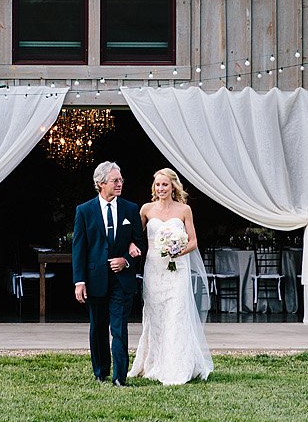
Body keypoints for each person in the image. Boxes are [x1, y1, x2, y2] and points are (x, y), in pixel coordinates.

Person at [131, 168, 213, 386]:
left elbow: (193, 241)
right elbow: (137, 238)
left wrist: (177, 250)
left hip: (177, 270)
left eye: (164, 185)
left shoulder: (184, 209)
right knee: (155, 315)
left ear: (173, 186)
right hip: (154, 270)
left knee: (176, 315)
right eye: (157, 185)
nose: (160, 189)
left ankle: (177, 366)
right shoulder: (146, 209)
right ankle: (153, 362)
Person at [72, 161, 145, 385]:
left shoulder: (131, 209)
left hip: (122, 281)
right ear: (101, 183)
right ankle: (100, 371)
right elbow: (79, 248)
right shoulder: (84, 211)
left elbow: (141, 244)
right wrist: (79, 281)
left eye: (121, 180)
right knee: (98, 328)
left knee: (119, 328)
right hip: (95, 280)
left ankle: (119, 377)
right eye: (115, 180)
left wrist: (126, 261)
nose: (120, 183)